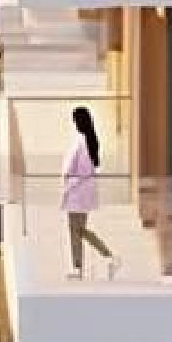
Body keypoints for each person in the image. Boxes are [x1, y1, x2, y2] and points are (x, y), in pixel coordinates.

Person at [61, 107, 115, 277]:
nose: (74, 124)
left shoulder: (83, 143)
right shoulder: (88, 140)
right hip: (80, 194)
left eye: (75, 120)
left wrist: (68, 184)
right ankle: (101, 256)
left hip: (77, 193)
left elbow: (82, 171)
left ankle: (96, 258)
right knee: (79, 230)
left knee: (76, 231)